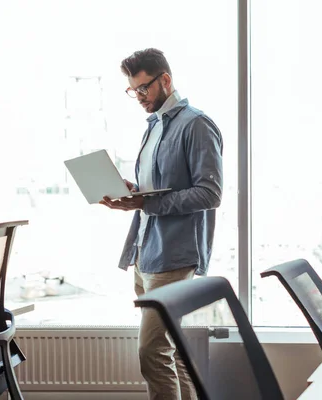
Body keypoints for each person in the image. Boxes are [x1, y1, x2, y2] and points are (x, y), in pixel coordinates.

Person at [100, 48, 223, 400]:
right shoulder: (154, 127)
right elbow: (157, 191)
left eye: (143, 89)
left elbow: (209, 194)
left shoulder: (196, 125)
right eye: (133, 91)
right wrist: (132, 193)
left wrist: (149, 202)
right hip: (145, 252)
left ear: (165, 80)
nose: (138, 98)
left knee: (151, 353)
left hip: (173, 256)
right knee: (171, 351)